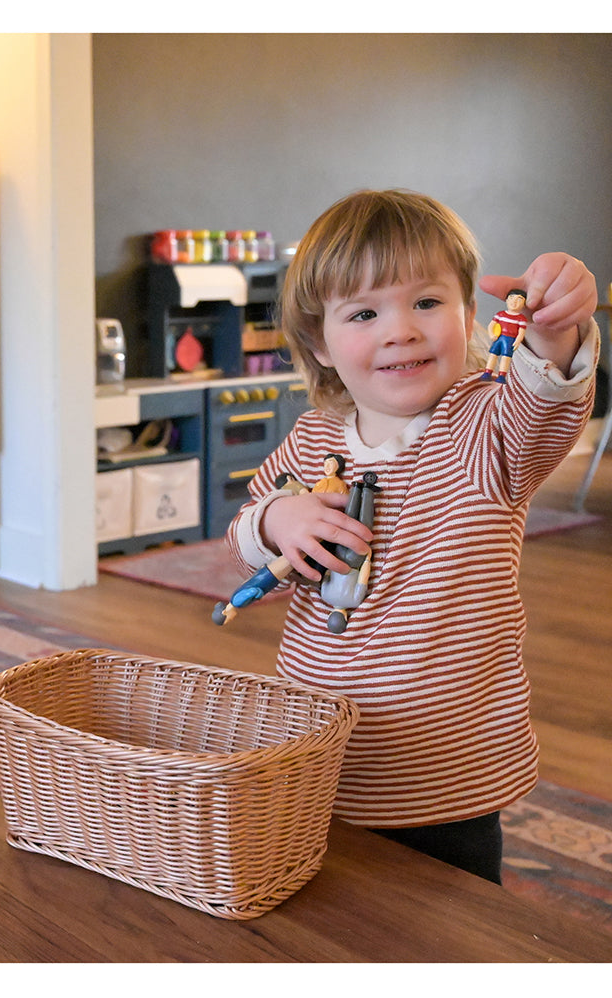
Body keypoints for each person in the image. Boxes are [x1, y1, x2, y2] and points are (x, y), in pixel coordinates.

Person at [225, 189, 598, 883]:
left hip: (444, 772)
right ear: (319, 344)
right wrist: (277, 520)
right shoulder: (312, 437)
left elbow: (546, 402)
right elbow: (248, 522)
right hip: (314, 749)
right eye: (365, 313)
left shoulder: (487, 426)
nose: (401, 330)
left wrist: (555, 328)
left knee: (444, 933)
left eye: (427, 303)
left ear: (471, 316)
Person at [481, 287, 529, 383]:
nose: (514, 301)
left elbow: (521, 332)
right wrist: (491, 334)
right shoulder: (501, 314)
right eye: (511, 298)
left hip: (510, 339)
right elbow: (491, 325)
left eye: (519, 299)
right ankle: (487, 372)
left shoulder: (521, 319)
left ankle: (502, 375)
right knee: (493, 354)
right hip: (499, 337)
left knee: (506, 357)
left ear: (524, 304)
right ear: (506, 300)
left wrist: (517, 341)